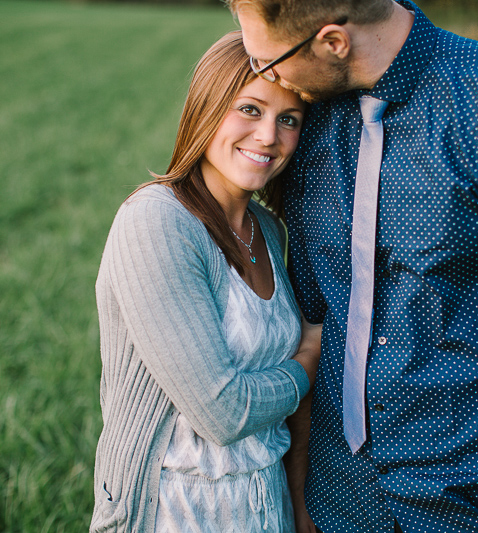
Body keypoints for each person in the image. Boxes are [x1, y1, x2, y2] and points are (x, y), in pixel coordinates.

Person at [226, 0, 478, 532]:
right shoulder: (306, 116)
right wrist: (301, 496)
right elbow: (313, 323)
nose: (266, 75)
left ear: (333, 43)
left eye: (268, 59)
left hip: (466, 506)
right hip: (337, 499)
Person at [91, 30, 319, 533]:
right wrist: (308, 364)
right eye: (250, 110)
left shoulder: (270, 229)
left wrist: (297, 504)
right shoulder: (156, 223)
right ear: (207, 108)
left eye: (289, 120)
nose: (268, 136)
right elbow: (224, 413)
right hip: (173, 508)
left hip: (266, 505)